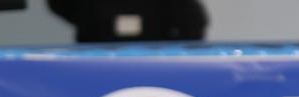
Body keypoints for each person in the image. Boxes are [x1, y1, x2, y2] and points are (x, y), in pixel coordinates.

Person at [47, 0, 208, 43]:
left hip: (156, 63)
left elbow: (194, 21)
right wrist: (86, 23)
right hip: (96, 61)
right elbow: (60, 5)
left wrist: (173, 52)